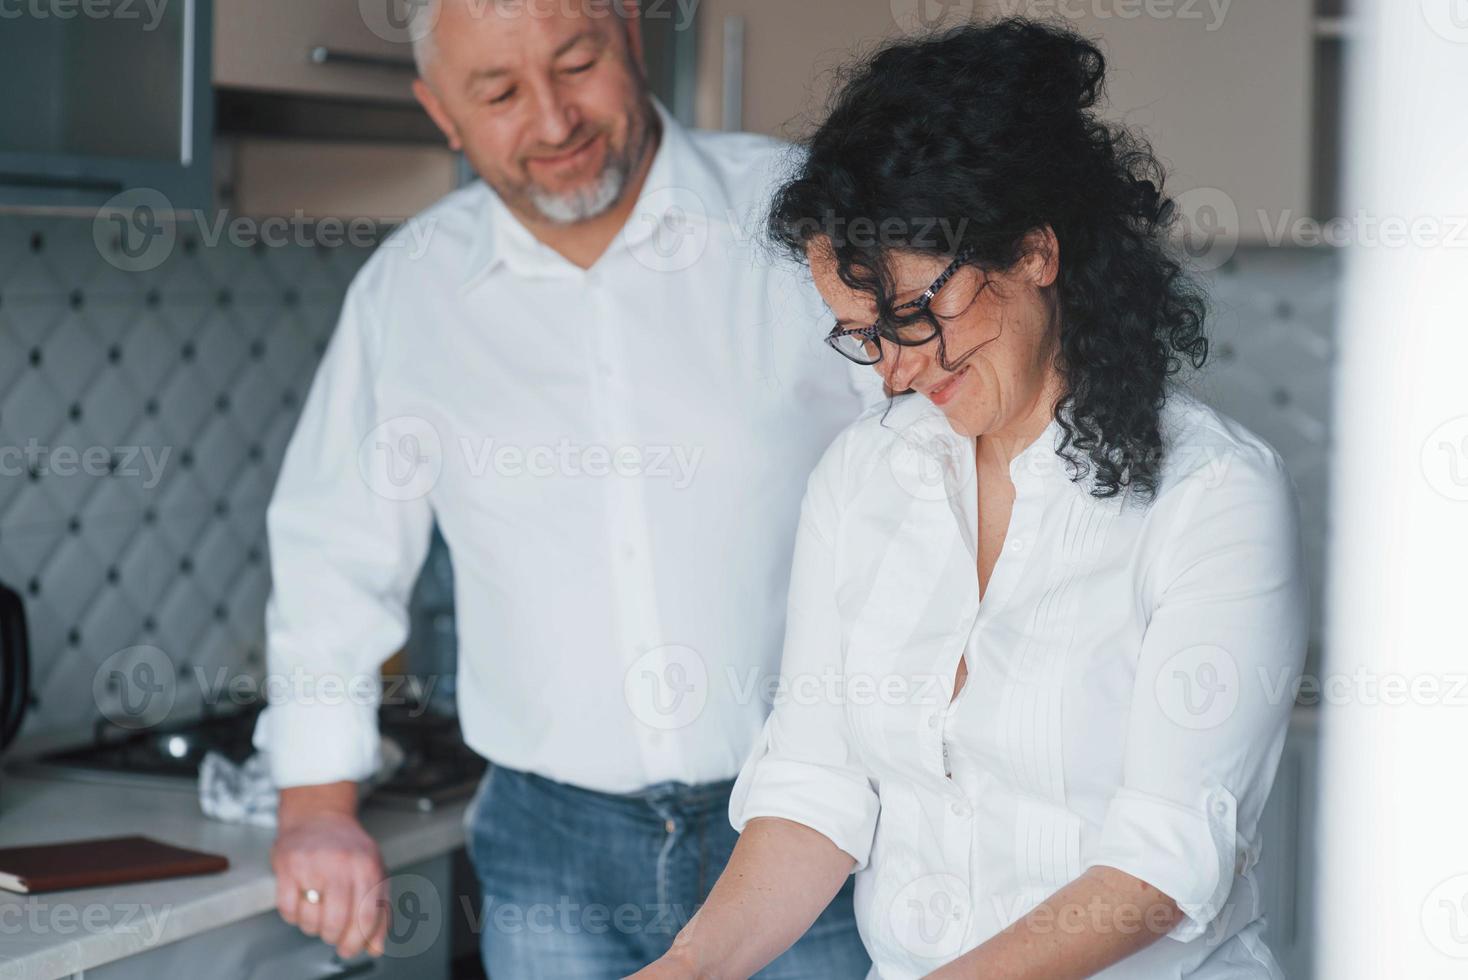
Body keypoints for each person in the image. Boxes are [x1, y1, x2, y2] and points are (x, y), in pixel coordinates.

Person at [635, 18, 1308, 980]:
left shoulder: (1215, 498)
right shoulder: (863, 476)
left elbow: (1158, 867)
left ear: (1034, 251)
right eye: (864, 336)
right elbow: (816, 784)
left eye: (914, 318)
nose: (897, 374)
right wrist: (687, 969)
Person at [254, 0, 876, 975]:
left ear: (630, 32)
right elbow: (335, 557)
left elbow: (948, 472)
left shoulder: (799, 217)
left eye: (576, 62)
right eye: (497, 92)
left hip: (823, 827)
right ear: (441, 112)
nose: (551, 121)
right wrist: (316, 807)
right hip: (551, 854)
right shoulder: (411, 290)